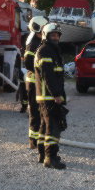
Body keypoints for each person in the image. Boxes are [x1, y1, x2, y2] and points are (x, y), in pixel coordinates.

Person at [34, 22, 68, 169]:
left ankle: (43, 155)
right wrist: (57, 94)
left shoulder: (50, 50)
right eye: (52, 35)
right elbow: (48, 76)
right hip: (49, 96)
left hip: (45, 96)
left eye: (57, 35)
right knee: (53, 128)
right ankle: (51, 158)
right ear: (46, 36)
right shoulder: (46, 50)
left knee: (43, 127)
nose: (55, 37)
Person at [23, 16, 48, 152]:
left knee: (41, 111)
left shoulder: (39, 40)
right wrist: (39, 71)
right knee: (35, 111)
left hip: (38, 81)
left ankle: (40, 138)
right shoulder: (33, 43)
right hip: (33, 82)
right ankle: (33, 141)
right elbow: (28, 62)